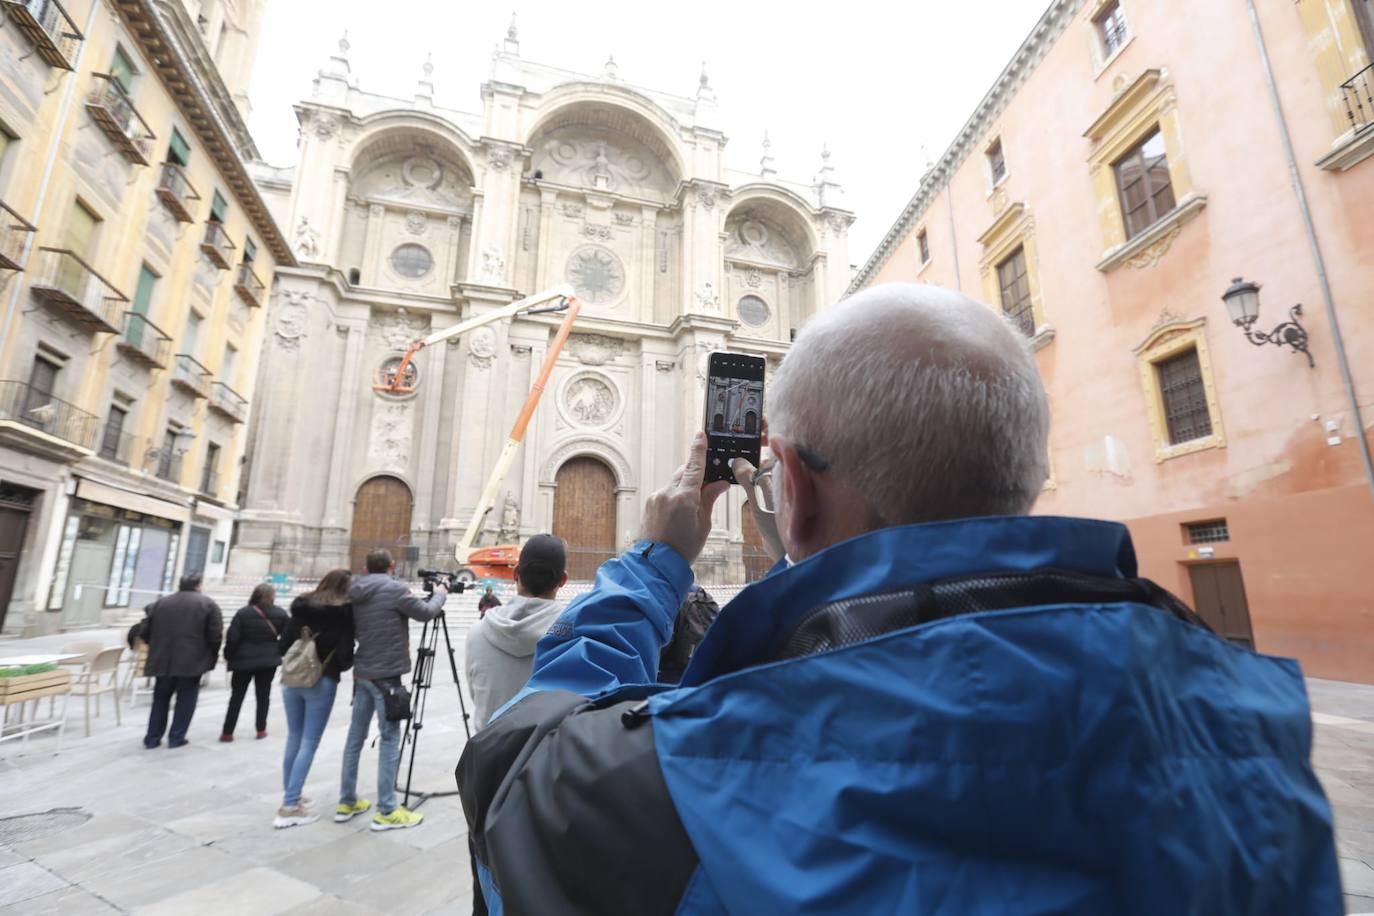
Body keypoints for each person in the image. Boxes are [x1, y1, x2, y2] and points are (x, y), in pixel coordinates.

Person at [458, 283, 1341, 914]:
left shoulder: (685, 771)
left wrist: (655, 561)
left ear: (791, 489)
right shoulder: (1257, 734)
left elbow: (513, 763)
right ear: (1029, 475)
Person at [339, 549, 446, 831]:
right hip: (387, 676)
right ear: (391, 565)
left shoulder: (355, 590)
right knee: (389, 739)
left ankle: (346, 801)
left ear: (367, 566)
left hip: (362, 672)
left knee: (354, 738)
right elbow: (426, 613)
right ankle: (387, 809)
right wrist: (440, 594)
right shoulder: (395, 589)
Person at [274, 569, 354, 829]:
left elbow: (283, 644)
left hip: (292, 679)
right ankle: (289, 807)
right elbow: (345, 653)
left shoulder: (300, 607)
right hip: (322, 679)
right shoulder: (342, 613)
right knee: (309, 741)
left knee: (294, 738)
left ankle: (293, 795)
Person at [465, 535, 568, 730]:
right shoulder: (575, 636)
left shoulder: (477, 632)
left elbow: (477, 696)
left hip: (488, 753)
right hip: (545, 754)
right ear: (563, 580)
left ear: (515, 573)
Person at [133, 572, 222, 750]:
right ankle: (176, 736)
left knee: (160, 699)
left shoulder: (161, 603)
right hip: (191, 661)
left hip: (162, 660)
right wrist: (210, 656)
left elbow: (144, 632)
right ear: (199, 585)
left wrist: (157, 646)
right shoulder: (208, 604)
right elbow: (215, 636)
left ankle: (152, 738)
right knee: (186, 699)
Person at [220, 584, 289, 741]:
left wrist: (228, 655)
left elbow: (233, 638)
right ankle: (261, 729)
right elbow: (287, 636)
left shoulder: (243, 613)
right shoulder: (280, 613)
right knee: (263, 695)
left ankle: (227, 732)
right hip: (268, 660)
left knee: (236, 696)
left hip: (243, 660)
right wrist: (277, 650)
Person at [656, 586, 720, 684]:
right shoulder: (700, 594)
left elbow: (660, 646)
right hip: (701, 675)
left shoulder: (664, 595)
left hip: (669, 677)